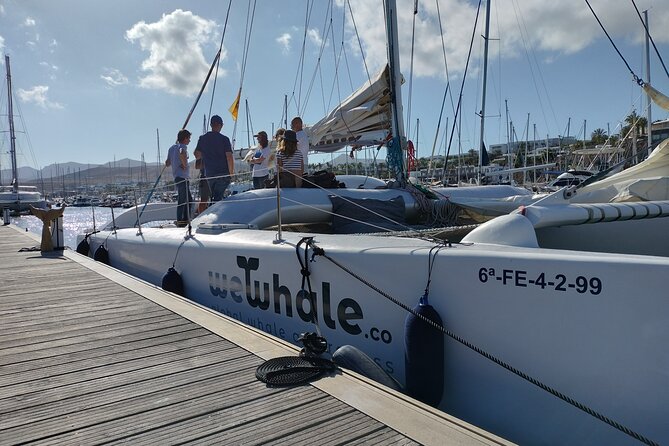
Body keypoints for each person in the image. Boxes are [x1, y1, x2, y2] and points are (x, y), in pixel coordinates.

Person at [194, 115, 234, 202]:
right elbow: (229, 157)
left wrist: (207, 153)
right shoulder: (224, 139)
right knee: (218, 198)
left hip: (210, 174)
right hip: (223, 173)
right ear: (221, 125)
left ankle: (213, 213)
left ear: (211, 125)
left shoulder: (202, 138)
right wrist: (231, 173)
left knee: (214, 198)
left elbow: (197, 154)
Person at [165, 129, 192, 227]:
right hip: (183, 177)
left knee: (189, 200)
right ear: (185, 138)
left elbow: (167, 163)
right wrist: (184, 165)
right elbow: (182, 152)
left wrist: (174, 160)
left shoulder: (171, 148)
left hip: (177, 177)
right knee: (183, 200)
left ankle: (185, 220)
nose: (189, 141)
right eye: (189, 138)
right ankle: (181, 222)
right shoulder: (182, 147)